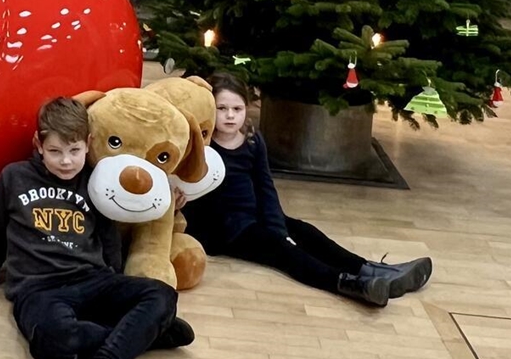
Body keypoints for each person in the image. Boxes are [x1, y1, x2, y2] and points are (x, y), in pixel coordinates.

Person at [0, 98, 193, 359]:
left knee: (162, 294)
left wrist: (115, 282)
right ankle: (145, 334)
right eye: (55, 151)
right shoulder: (14, 177)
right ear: (38, 144)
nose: (66, 161)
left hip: (93, 279)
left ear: (89, 143)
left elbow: (109, 237)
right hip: (38, 289)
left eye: (74, 150)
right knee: (54, 342)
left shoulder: (97, 180)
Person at [184, 73, 433, 308]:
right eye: (222, 109)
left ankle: (371, 269)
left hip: (252, 215)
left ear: (246, 109)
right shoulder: (202, 145)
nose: (230, 116)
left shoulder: (252, 140)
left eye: (237, 109)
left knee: (304, 231)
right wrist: (278, 238)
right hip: (224, 230)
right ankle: (351, 284)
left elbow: (265, 186)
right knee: (283, 251)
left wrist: (279, 227)